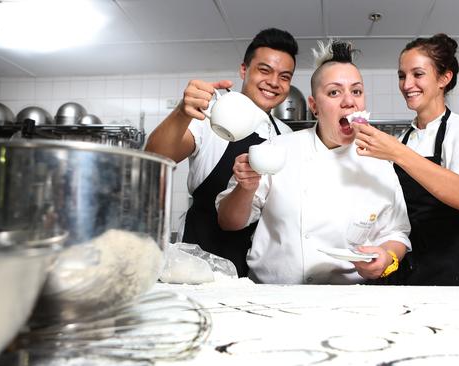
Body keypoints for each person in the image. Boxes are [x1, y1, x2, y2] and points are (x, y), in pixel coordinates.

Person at [216, 40, 411, 285]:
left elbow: (396, 233)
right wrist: (246, 188)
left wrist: (387, 258)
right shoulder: (277, 149)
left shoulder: (380, 165)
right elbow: (228, 222)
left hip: (348, 300)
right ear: (314, 107)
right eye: (334, 92)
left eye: (356, 91)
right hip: (272, 296)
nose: (349, 101)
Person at [144, 28, 298, 277]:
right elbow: (155, 158)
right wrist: (182, 112)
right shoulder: (213, 114)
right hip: (197, 257)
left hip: (256, 266)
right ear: (244, 70)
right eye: (264, 70)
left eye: (284, 76)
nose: (274, 82)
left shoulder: (285, 134)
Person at [353, 33, 459, 286]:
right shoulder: (406, 137)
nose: (406, 84)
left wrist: (396, 152)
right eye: (402, 76)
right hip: (407, 263)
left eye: (417, 74)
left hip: (449, 266)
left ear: (444, 78)